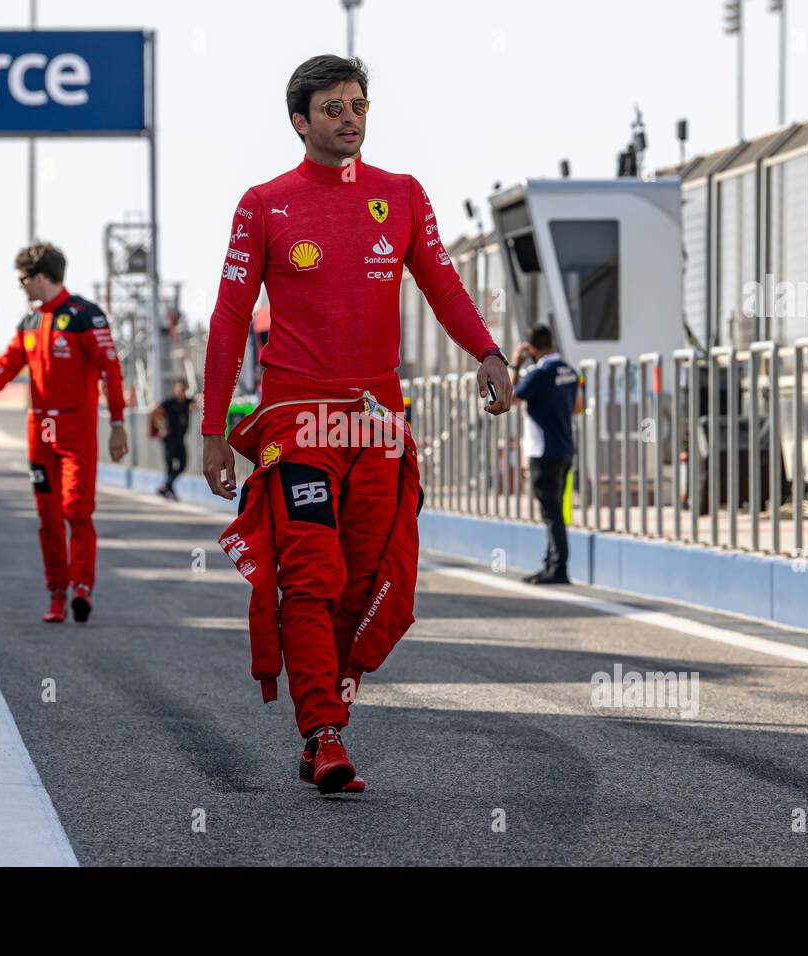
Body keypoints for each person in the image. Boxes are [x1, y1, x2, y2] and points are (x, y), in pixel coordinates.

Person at [202, 54, 512, 794]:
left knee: (373, 584)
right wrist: (214, 428)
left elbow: (442, 280)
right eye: (333, 108)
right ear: (300, 121)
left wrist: (488, 351)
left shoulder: (400, 196)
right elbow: (228, 314)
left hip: (377, 424)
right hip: (296, 422)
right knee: (311, 576)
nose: (350, 118)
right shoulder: (264, 204)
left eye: (359, 105)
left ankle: (329, 712)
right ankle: (324, 730)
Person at [0, 242, 128, 624]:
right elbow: (8, 364)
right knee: (48, 516)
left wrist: (118, 424)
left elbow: (110, 368)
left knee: (76, 510)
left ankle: (82, 588)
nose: (21, 287)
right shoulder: (29, 322)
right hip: (40, 431)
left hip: (77, 430)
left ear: (40, 277)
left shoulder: (86, 315)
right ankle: (57, 592)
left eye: (23, 279)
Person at [512, 324, 583, 585]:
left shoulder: (538, 374)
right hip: (565, 448)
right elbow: (578, 408)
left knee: (550, 512)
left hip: (542, 451)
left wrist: (516, 366)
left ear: (531, 349)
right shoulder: (569, 371)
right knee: (554, 511)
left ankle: (558, 568)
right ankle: (551, 563)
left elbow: (509, 398)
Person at [153, 378, 192, 500]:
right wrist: (161, 428)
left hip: (180, 439)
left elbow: (197, 402)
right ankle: (169, 489)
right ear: (175, 390)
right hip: (169, 440)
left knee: (183, 464)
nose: (181, 391)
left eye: (184, 389)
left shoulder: (187, 402)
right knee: (170, 466)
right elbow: (156, 413)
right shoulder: (168, 403)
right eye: (179, 389)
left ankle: (166, 487)